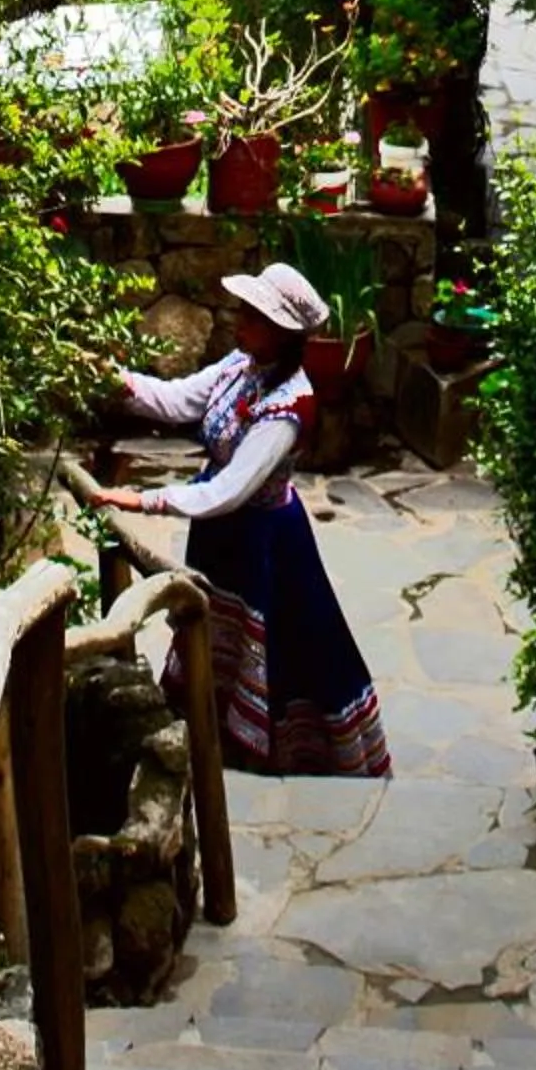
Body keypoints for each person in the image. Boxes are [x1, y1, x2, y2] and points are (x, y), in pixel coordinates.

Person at [85, 262, 392, 777]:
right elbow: (178, 400)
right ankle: (216, 735)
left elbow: (229, 490)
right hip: (221, 536)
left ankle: (278, 752)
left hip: (265, 543)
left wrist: (144, 501)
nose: (239, 321)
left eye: (253, 316)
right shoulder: (239, 367)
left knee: (287, 647)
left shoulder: (289, 407)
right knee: (214, 631)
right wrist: (114, 380)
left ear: (281, 333)